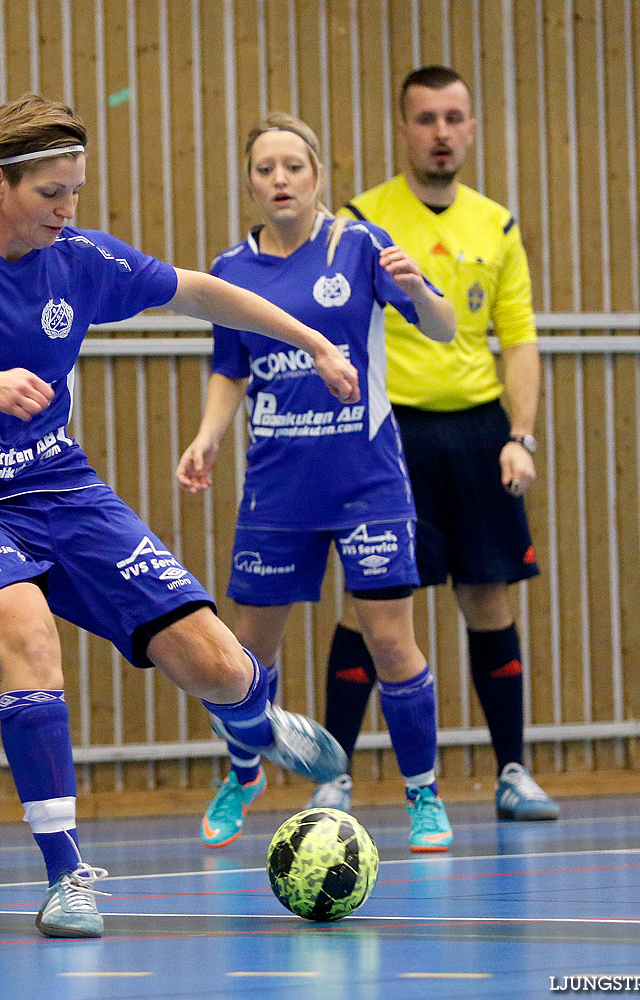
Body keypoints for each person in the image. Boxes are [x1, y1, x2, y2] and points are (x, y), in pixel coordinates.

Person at [0, 93, 357, 940]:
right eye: (52, 193)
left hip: (60, 488)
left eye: (77, 191)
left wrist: (311, 341)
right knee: (26, 632)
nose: (68, 209)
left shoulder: (81, 257)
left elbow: (202, 291)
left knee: (211, 659)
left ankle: (252, 715)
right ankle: (67, 875)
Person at [177, 112, 458, 853]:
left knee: (391, 641)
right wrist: (207, 438)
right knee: (245, 651)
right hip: (279, 485)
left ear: (317, 175)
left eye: (293, 167)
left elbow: (444, 328)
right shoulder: (231, 269)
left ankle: (422, 793)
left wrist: (422, 291)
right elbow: (230, 369)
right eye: (265, 169)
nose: (280, 180)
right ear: (248, 182)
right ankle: (243, 774)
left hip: (367, 477)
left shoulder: (360, 246)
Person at [333, 64, 558, 821]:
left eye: (453, 118)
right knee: (371, 604)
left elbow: (518, 338)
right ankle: (334, 777)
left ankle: (512, 770)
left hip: (476, 431)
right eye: (425, 118)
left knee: (487, 596)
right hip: (388, 433)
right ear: (403, 128)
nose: (440, 133)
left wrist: (519, 435)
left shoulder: (495, 223)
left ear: (471, 126)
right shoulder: (361, 217)